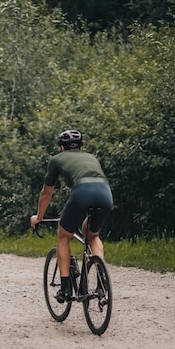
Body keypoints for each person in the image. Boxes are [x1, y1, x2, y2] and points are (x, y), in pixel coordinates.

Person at [30, 130, 113, 303]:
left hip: (82, 193)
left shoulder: (57, 159)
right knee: (92, 235)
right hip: (106, 194)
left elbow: (46, 193)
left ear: (62, 148)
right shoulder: (92, 157)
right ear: (81, 147)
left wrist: (39, 217)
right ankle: (102, 281)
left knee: (63, 235)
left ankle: (66, 289)